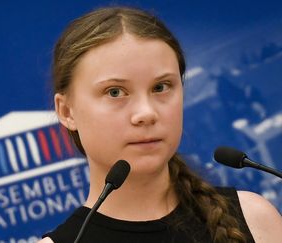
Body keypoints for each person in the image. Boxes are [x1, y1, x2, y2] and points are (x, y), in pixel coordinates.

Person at [39, 6, 282, 243]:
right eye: (114, 92)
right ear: (67, 111)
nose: (146, 113)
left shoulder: (255, 220)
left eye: (160, 87)